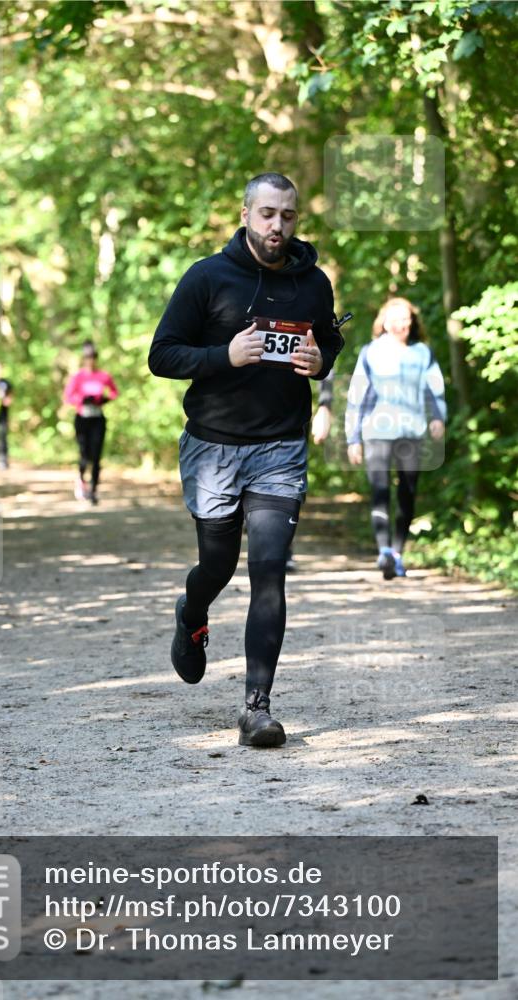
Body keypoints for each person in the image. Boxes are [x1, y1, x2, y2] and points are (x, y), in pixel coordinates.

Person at [149, 172, 344, 748]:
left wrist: (320, 360)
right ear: (245, 215)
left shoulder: (314, 283)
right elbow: (162, 355)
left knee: (269, 570)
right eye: (267, 215)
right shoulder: (208, 277)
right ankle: (193, 611)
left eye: (286, 216)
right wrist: (224, 355)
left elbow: (327, 340)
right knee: (217, 566)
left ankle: (256, 708)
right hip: (213, 448)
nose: (277, 227)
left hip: (280, 448)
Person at [345, 296, 446, 579]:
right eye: (396, 319)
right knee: (380, 491)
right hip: (377, 431)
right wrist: (353, 437)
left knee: (407, 493)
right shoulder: (370, 352)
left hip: (412, 433)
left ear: (411, 322)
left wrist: (438, 417)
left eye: (406, 319)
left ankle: (398, 551)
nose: (401, 324)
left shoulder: (422, 353)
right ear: (385, 322)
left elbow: (433, 389)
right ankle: (384, 553)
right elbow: (356, 396)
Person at [285, 370, 335, 573]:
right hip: (236, 416)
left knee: (290, 484)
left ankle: (284, 549)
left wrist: (325, 406)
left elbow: (325, 354)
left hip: (291, 415)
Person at [63, 341, 119, 505]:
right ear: (84, 359)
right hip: (82, 419)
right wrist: (81, 400)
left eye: (93, 357)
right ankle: (81, 480)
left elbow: (114, 392)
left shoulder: (104, 376)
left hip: (98, 419)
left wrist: (105, 399)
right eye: (88, 357)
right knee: (84, 455)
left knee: (96, 456)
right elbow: (68, 397)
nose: (91, 360)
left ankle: (93, 490)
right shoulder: (78, 377)